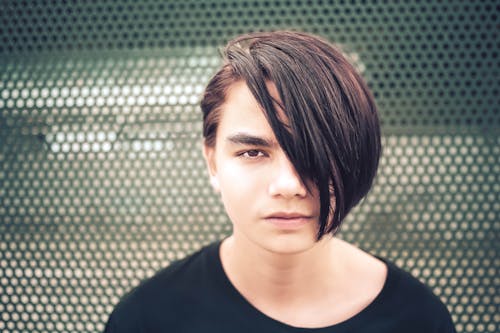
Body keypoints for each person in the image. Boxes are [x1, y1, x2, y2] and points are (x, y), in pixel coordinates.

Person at [104, 31, 456, 332]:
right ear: (212, 161)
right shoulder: (147, 319)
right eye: (253, 153)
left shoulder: (418, 319)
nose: (289, 185)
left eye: (318, 150)